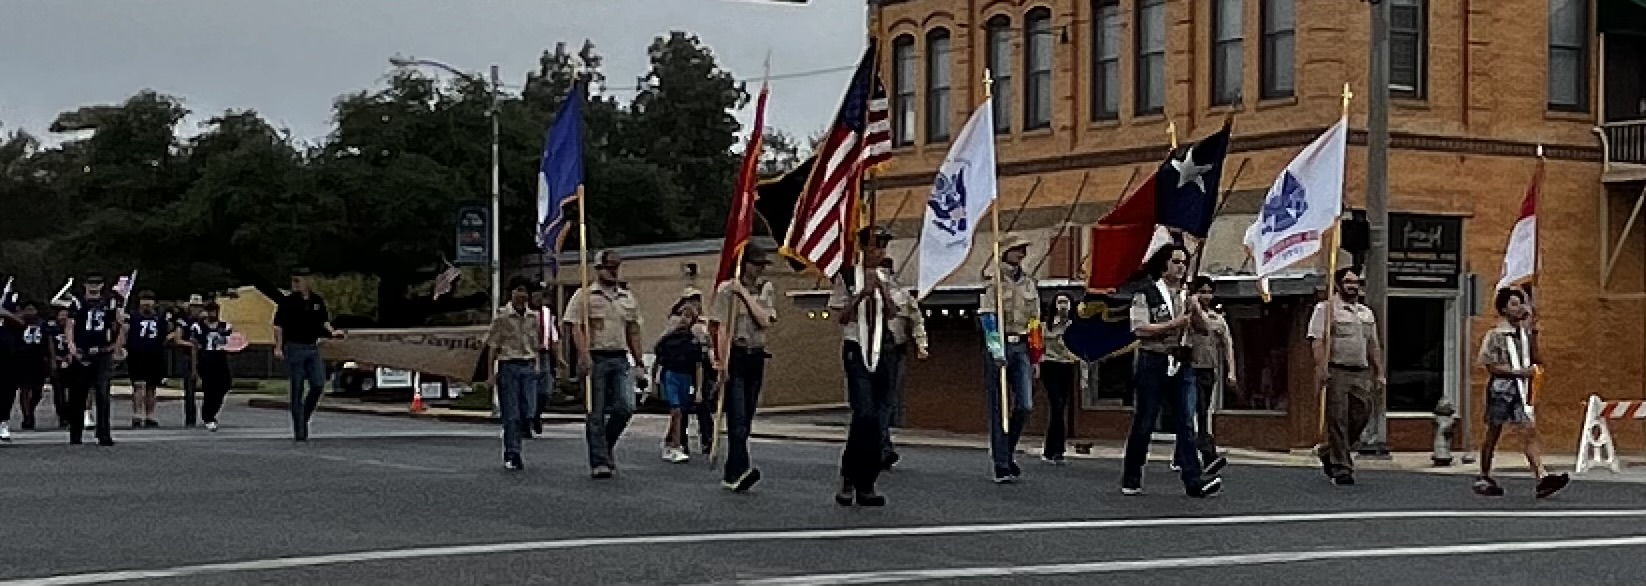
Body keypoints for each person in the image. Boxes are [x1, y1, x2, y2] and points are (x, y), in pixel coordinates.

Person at [1120, 244, 1223, 497]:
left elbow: (1203, 329)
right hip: (1153, 359)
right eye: (1176, 261)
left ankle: (1194, 479)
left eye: (1184, 263)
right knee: (1145, 421)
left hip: (1182, 361)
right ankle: (1132, 474)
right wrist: (1173, 324)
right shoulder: (1146, 294)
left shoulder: (1186, 297)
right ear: (1163, 264)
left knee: (1186, 421)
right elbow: (1140, 329)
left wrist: (1195, 309)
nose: (1181, 267)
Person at [1474, 287, 1570, 498]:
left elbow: (1537, 359)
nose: (1519, 308)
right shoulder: (1495, 336)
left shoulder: (1524, 336)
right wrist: (1519, 372)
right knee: (1493, 432)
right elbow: (1491, 365)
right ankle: (1484, 473)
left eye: (1521, 304)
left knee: (1528, 430)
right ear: (1503, 309)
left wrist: (1534, 333)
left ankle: (1541, 476)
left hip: (1522, 390)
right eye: (1514, 304)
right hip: (1502, 390)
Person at [828, 226, 899, 507]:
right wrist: (860, 295)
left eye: (883, 247)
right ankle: (849, 475)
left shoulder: (887, 275)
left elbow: (894, 312)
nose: (879, 252)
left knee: (879, 416)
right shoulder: (846, 276)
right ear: (862, 248)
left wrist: (881, 288)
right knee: (864, 414)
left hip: (883, 348)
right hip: (857, 348)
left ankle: (866, 482)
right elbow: (840, 317)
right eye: (874, 247)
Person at [563, 250, 646, 479]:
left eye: (616, 267)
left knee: (626, 406)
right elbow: (575, 326)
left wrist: (639, 362)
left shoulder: (626, 298)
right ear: (598, 268)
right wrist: (583, 355)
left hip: (619, 357)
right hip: (596, 356)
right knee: (595, 411)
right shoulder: (585, 295)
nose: (613, 271)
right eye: (609, 267)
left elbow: (633, 331)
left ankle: (606, 443)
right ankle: (599, 460)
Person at [709, 245, 779, 492]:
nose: (759, 269)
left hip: (756, 355)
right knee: (737, 416)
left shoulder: (765, 289)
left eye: (762, 265)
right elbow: (721, 328)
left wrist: (745, 295)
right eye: (755, 264)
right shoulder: (726, 291)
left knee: (747, 417)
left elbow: (764, 320)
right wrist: (723, 362)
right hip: (736, 356)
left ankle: (731, 472)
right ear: (743, 264)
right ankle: (742, 468)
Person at [1308, 267, 1384, 486]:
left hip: (1361, 371)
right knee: (1338, 419)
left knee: (1361, 415)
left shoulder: (1366, 313)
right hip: (1337, 370)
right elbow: (1317, 340)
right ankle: (1342, 468)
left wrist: (1379, 372)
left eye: (1356, 282)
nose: (1353, 286)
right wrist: (1321, 367)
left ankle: (1329, 451)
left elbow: (1373, 345)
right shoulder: (1326, 309)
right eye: (1348, 282)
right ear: (1338, 285)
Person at [979, 233, 1039, 484]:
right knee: (999, 408)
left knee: (1025, 405)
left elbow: (1035, 322)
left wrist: (1036, 357)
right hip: (1001, 345)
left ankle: (1008, 450)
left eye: (1024, 249)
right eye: (1017, 249)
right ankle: (1001, 463)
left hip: (1022, 346)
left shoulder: (1029, 283)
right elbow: (988, 317)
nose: (1022, 254)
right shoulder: (994, 281)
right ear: (1005, 252)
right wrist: (996, 349)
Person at [273, 268, 341, 442]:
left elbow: (323, 321)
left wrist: (332, 332)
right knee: (297, 388)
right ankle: (300, 429)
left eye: (299, 281)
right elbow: (278, 326)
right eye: (293, 281)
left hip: (312, 346)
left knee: (318, 384)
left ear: (307, 282)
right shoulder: (287, 302)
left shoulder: (317, 301)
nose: (295, 284)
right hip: (294, 347)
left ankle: (304, 414)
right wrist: (278, 347)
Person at [485, 277, 544, 471]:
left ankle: (518, 434)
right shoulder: (502, 317)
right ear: (511, 293)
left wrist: (537, 365)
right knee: (512, 414)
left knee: (529, 410)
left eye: (525, 291)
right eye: (518, 290)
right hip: (508, 365)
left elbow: (535, 344)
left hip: (527, 366)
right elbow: (493, 346)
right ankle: (513, 452)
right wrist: (491, 374)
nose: (522, 295)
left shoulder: (533, 318)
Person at [878, 257, 926, 470]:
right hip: (871, 350)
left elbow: (916, 320)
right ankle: (881, 447)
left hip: (895, 351)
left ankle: (883, 446)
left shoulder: (902, 296)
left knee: (888, 401)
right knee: (872, 404)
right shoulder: (869, 292)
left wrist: (921, 344)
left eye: (887, 270)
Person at [66, 273, 122, 446]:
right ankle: (76, 433)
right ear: (84, 286)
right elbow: (70, 325)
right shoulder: (77, 304)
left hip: (102, 351)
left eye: (97, 284)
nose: (93, 287)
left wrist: (116, 346)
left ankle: (104, 433)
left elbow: (118, 325)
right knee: (78, 395)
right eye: (90, 283)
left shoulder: (109, 304)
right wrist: (71, 345)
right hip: (83, 351)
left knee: (103, 393)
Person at [1187, 276, 1233, 475]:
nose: (1206, 296)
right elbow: (1199, 324)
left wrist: (1231, 371)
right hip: (1189, 369)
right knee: (1193, 415)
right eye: (1201, 291)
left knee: (1204, 413)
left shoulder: (1217, 318)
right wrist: (1193, 303)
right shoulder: (1187, 315)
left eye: (1209, 292)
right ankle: (1207, 454)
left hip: (1208, 369)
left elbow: (1228, 345)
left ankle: (1189, 454)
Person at [652, 302, 702, 464]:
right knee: (676, 411)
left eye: (688, 317)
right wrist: (654, 381)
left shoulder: (693, 342)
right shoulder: (668, 339)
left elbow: (698, 366)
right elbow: (658, 360)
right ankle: (676, 446)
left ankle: (669, 440)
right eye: (681, 315)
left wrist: (699, 389)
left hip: (685, 377)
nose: (683, 319)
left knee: (681, 411)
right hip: (671, 375)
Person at [125, 290, 175, 428]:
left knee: (151, 387)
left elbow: (169, 332)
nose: (147, 303)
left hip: (154, 354)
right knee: (138, 385)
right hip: (137, 354)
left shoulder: (160, 318)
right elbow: (126, 332)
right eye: (144, 300)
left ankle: (150, 415)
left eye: (149, 300)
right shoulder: (133, 317)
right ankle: (137, 414)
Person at [1040, 293, 1080, 465]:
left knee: (1062, 407)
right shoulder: (1046, 325)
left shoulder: (1075, 326)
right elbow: (1038, 345)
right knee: (1056, 405)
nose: (1063, 305)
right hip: (1050, 365)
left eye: (1066, 302)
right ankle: (1052, 450)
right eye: (1060, 302)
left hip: (1067, 366)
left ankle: (1056, 450)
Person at [189, 302, 235, 431]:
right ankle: (208, 416)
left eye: (214, 311)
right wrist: (195, 367)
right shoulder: (198, 327)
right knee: (209, 389)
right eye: (209, 311)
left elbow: (231, 343)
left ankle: (212, 412)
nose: (212, 314)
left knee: (224, 385)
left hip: (220, 358)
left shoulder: (225, 327)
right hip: (206, 358)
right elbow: (194, 347)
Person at [9, 301, 53, 432]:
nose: (30, 312)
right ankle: (27, 416)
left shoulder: (42, 324)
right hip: (22, 359)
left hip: (38, 360)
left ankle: (31, 408)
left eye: (32, 309)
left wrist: (51, 359)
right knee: (25, 389)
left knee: (37, 391)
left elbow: (48, 341)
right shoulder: (17, 324)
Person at [527, 286, 564, 437]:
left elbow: (554, 336)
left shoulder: (548, 313)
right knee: (529, 390)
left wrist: (559, 357)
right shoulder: (524, 313)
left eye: (540, 296)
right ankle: (527, 420)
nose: (538, 299)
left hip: (544, 355)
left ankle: (536, 414)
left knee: (545, 390)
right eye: (535, 296)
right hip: (528, 355)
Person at [173, 295, 205, 427]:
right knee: (190, 388)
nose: (196, 310)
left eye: (198, 307)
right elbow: (177, 339)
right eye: (193, 307)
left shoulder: (205, 322)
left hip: (204, 355)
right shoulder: (183, 321)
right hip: (188, 355)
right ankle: (190, 417)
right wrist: (190, 345)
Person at [46, 304, 73, 429]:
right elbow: (50, 344)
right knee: (59, 392)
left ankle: (72, 415)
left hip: (71, 361)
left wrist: (70, 355)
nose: (63, 318)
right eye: (61, 315)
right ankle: (62, 416)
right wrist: (54, 358)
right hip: (57, 360)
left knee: (73, 391)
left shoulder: (73, 328)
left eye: (66, 315)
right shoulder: (52, 329)